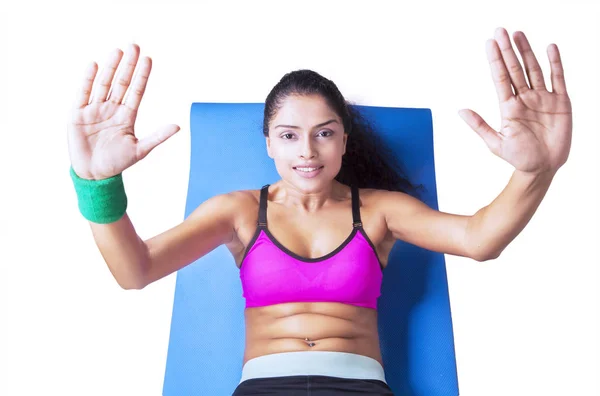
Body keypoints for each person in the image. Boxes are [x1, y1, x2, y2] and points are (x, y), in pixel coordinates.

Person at [67, 27, 572, 395]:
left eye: (324, 133)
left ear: (344, 141)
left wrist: (535, 171)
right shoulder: (239, 212)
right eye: (289, 136)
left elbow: (479, 240)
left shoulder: (379, 212)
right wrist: (98, 184)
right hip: (264, 388)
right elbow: (135, 271)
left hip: (361, 388)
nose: (307, 150)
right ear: (268, 143)